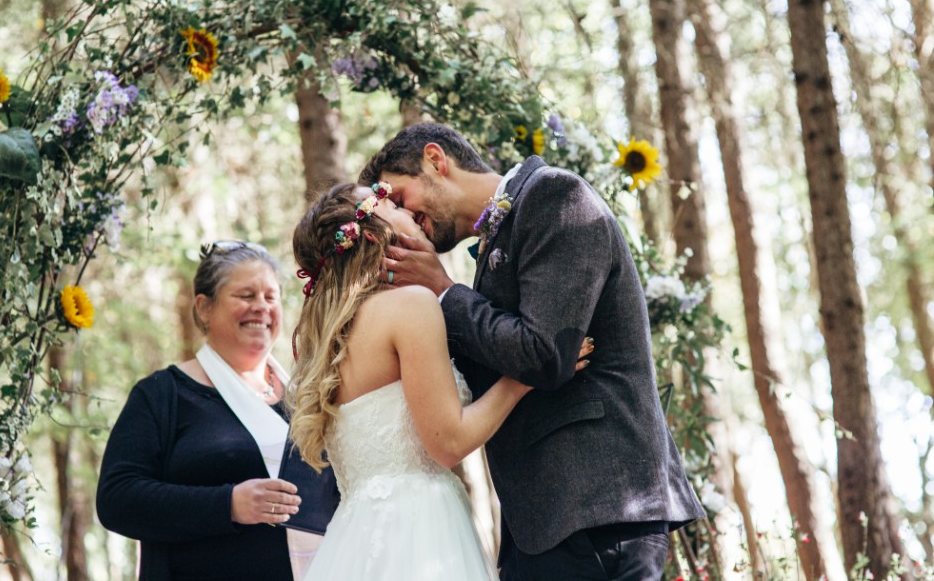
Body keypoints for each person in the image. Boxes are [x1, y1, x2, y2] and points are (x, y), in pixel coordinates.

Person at [359, 122, 705, 581]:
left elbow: (545, 354)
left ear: (436, 161)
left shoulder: (556, 195)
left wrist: (443, 291)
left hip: (599, 507)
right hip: (545, 524)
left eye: (399, 199)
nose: (403, 220)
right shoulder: (493, 242)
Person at [286, 182, 591, 581]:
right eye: (390, 204)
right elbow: (449, 442)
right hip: (419, 533)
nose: (407, 209)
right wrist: (522, 379)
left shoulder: (330, 338)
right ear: (375, 232)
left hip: (354, 539)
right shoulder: (409, 306)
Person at [97, 241, 321, 581]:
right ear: (204, 308)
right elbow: (117, 500)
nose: (261, 307)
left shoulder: (304, 398)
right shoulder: (163, 394)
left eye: (270, 297)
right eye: (246, 296)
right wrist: (228, 504)